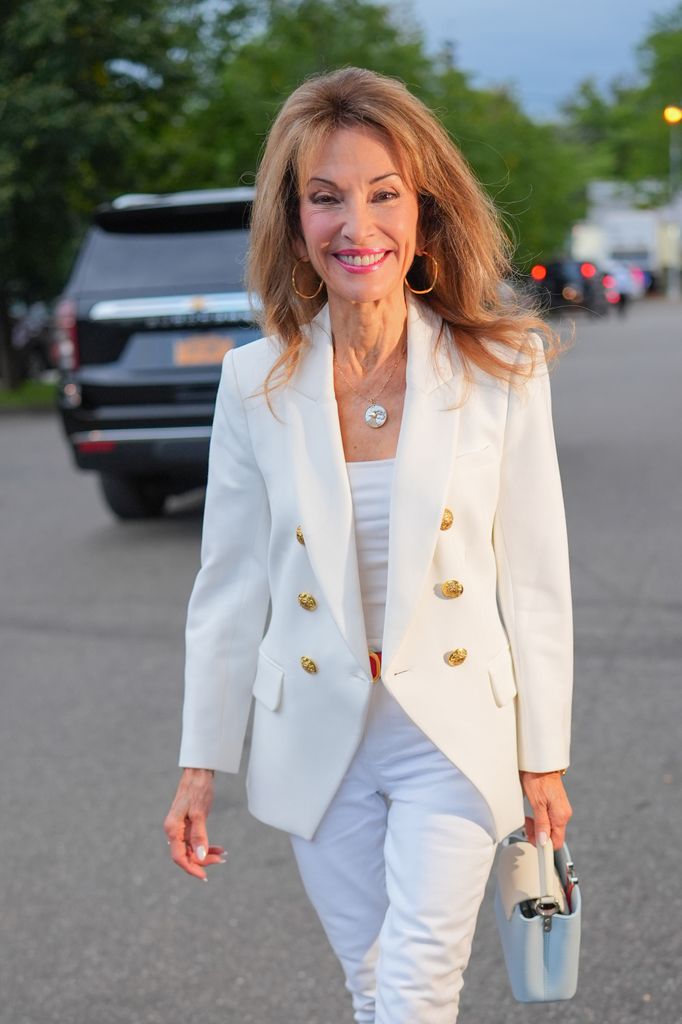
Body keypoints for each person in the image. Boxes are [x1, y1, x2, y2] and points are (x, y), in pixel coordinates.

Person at [164, 66, 574, 1023]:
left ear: (423, 210)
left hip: (453, 731)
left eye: (384, 194)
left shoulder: (499, 365)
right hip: (317, 733)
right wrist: (199, 763)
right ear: (293, 220)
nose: (358, 226)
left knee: (417, 990)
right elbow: (227, 588)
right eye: (326, 198)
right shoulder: (253, 382)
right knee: (373, 983)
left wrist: (543, 757)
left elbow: (538, 581)